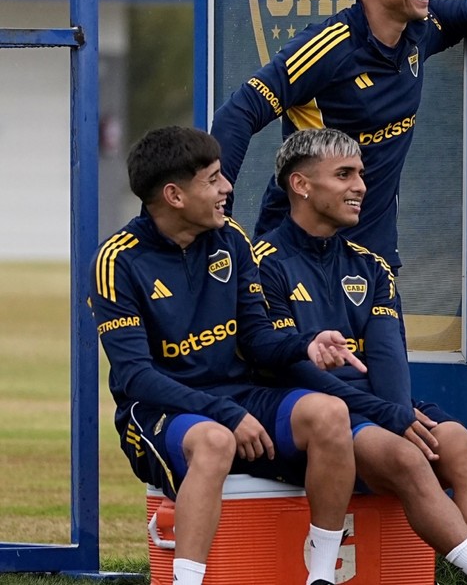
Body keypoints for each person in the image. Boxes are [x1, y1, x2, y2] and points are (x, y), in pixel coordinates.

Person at [254, 128, 467, 585]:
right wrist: (387, 416)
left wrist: (395, 413)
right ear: (301, 184)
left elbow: (388, 354)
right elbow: (291, 366)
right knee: (407, 459)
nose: (360, 186)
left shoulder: (371, 265)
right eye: (344, 174)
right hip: (316, 414)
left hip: (380, 408)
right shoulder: (264, 262)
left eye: (361, 175)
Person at [89, 126, 369, 585]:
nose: (227, 188)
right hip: (158, 410)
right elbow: (137, 377)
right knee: (215, 440)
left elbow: (257, 338)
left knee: (330, 414)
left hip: (236, 396)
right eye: (213, 179)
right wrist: (226, 414)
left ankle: (320, 576)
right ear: (175, 196)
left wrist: (305, 343)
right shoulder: (118, 260)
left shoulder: (231, 239)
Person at [210, 0, 467, 268]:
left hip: (373, 258)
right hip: (298, 256)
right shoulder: (327, 48)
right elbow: (238, 113)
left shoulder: (419, 30)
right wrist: (218, 214)